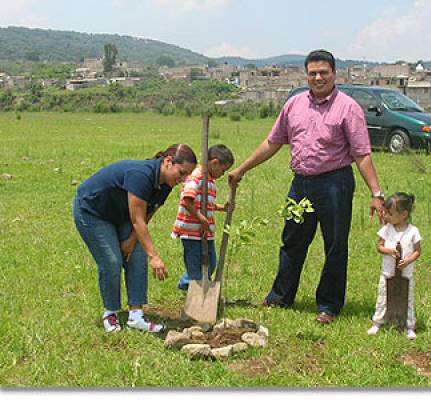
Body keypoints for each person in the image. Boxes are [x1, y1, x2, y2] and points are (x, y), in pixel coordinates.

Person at [228, 49, 385, 324]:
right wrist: (242, 169)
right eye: (313, 73)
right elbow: (273, 142)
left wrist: (376, 193)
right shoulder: (294, 104)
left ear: (335, 74)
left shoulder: (348, 107)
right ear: (306, 75)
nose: (318, 77)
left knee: (335, 246)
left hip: (335, 184)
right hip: (300, 184)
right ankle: (280, 297)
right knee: (292, 241)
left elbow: (362, 153)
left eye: (323, 72)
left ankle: (328, 305)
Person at [73, 144, 197, 333]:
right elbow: (138, 221)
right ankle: (111, 313)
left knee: (137, 256)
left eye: (187, 175)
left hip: (122, 214)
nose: (183, 179)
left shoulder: (166, 183)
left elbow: (147, 213)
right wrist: (154, 256)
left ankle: (136, 316)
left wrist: (132, 241)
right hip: (93, 211)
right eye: (181, 173)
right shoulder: (141, 175)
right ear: (168, 162)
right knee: (112, 261)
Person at [172, 144, 235, 291]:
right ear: (214, 163)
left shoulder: (210, 180)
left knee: (211, 262)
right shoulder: (196, 178)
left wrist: (222, 208)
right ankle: (195, 290)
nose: (223, 174)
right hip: (192, 232)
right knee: (195, 265)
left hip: (205, 231)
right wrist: (201, 219)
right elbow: (186, 201)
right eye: (223, 170)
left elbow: (205, 204)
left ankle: (187, 281)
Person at [367, 192, 422, 340]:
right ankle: (378, 322)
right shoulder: (387, 229)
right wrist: (388, 250)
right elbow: (379, 247)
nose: (386, 217)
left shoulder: (413, 232)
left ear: (404, 214)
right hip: (388, 273)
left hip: (406, 275)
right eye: (385, 213)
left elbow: (418, 251)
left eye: (390, 214)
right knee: (383, 296)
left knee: (407, 299)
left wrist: (409, 260)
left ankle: (409, 325)